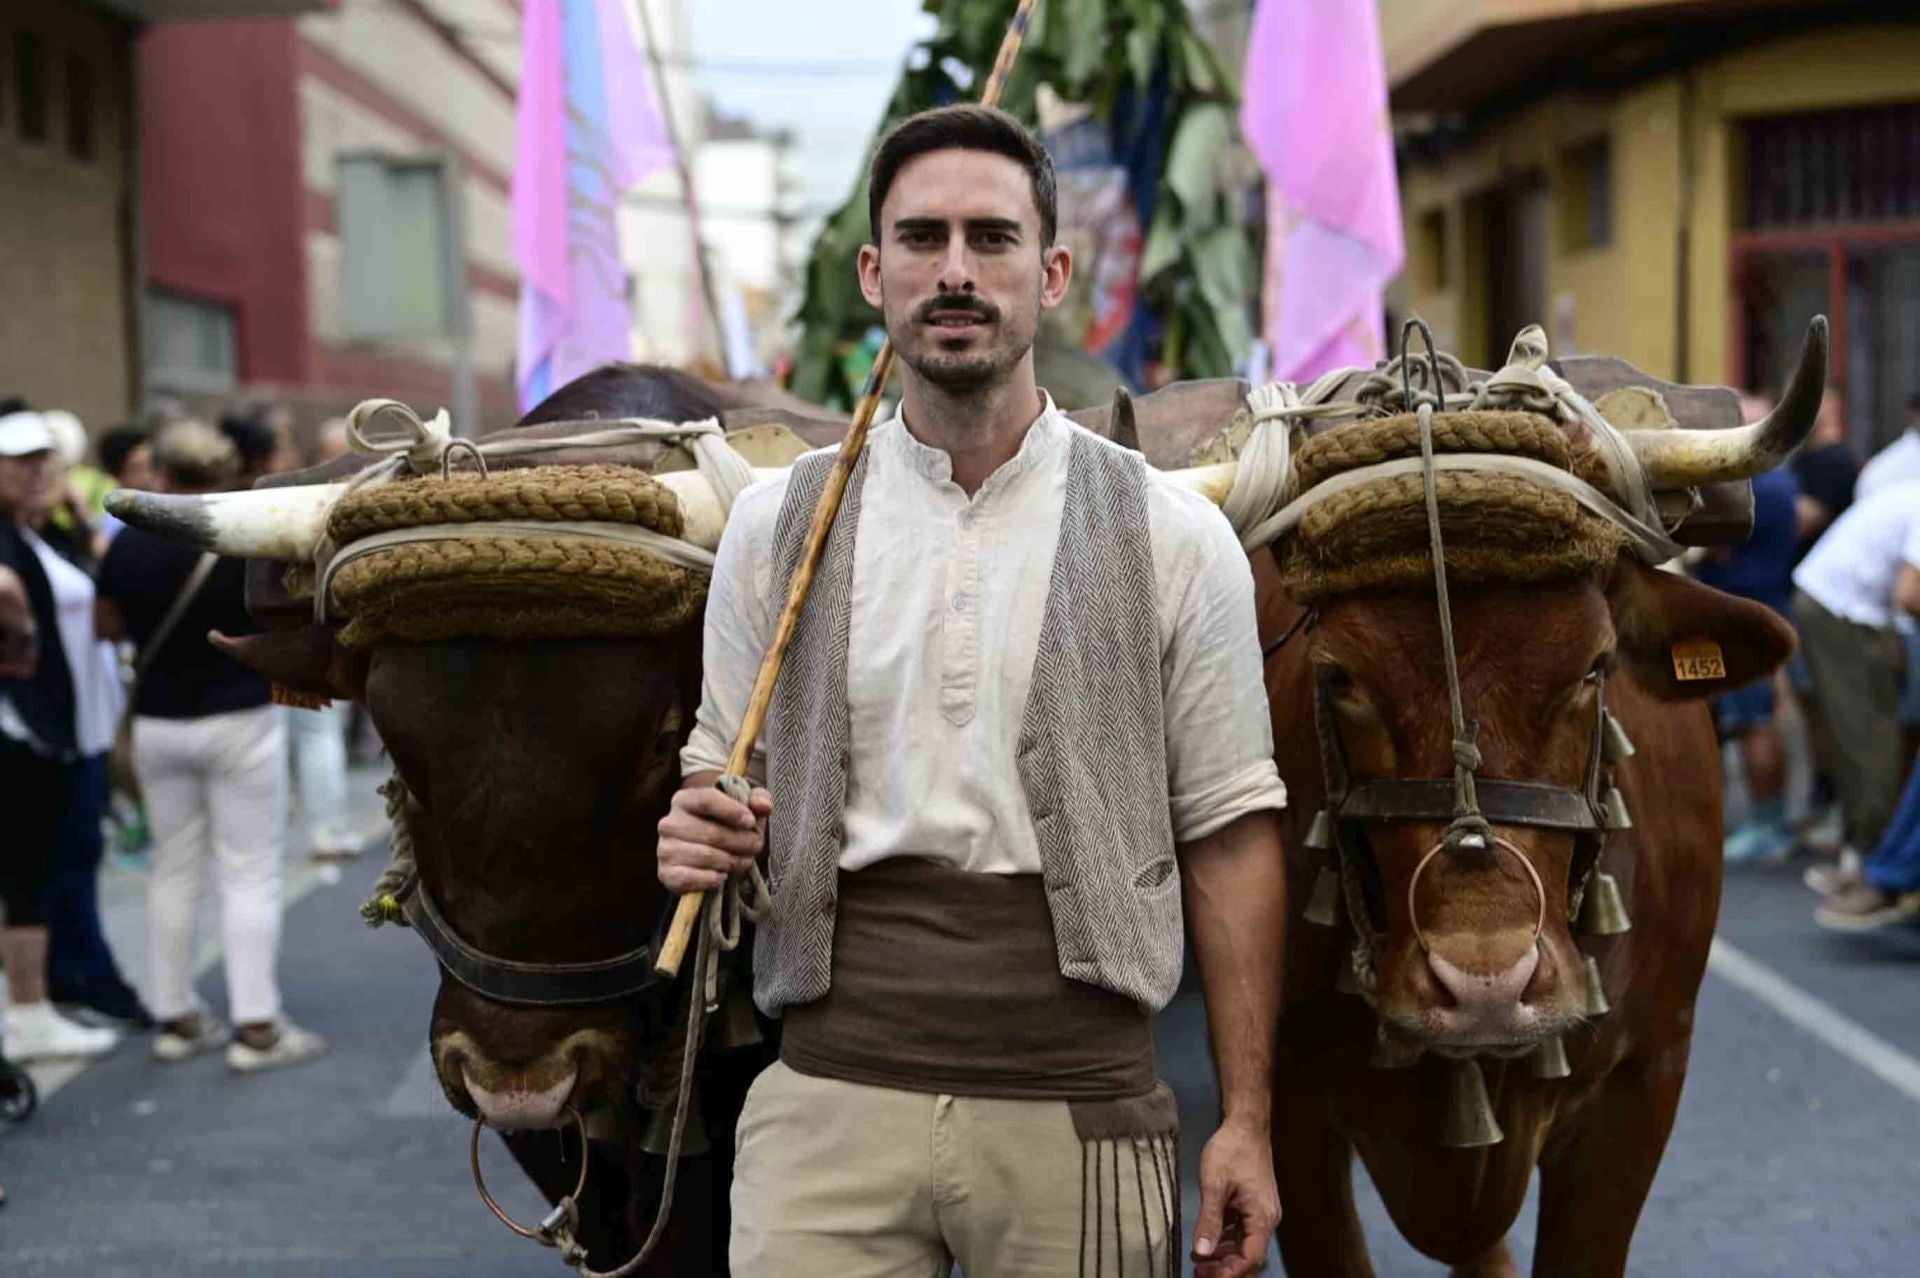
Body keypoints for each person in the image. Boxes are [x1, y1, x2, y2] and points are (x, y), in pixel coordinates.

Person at [659, 106, 1287, 1278]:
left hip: (1082, 1110)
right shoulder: (774, 528)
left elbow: (1230, 836)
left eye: (992, 238)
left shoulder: (1175, 537)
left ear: (1052, 274)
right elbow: (719, 776)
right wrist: (700, 825)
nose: (955, 270)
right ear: (874, 273)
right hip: (825, 1109)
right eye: (922, 238)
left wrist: (1245, 1119)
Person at [95, 419, 324, 1072]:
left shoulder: (128, 542)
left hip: (158, 722)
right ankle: (257, 1026)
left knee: (173, 867)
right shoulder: (247, 538)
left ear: (160, 473)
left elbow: (106, 628)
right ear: (225, 472)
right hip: (239, 717)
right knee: (249, 870)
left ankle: (177, 1017)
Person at [0, 407, 119, 1061]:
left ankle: (39, 1001)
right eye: (21, 461)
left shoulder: (41, 532)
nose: (38, 471)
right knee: (28, 871)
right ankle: (28, 1012)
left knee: (45, 867)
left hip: (60, 727)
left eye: (43, 459)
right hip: (22, 728)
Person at [1791, 479, 1920, 897]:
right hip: (1842, 609)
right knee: (1870, 739)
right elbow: (1910, 594)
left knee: (1861, 735)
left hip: (1836, 602)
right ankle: (1874, 868)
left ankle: (1867, 858)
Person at [1695, 451, 1801, 862]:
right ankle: (1766, 821)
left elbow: (1714, 549)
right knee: (1746, 718)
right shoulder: (1780, 483)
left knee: (1750, 720)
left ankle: (1769, 825)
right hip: (1753, 613)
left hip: (1738, 619)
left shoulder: (1748, 490)